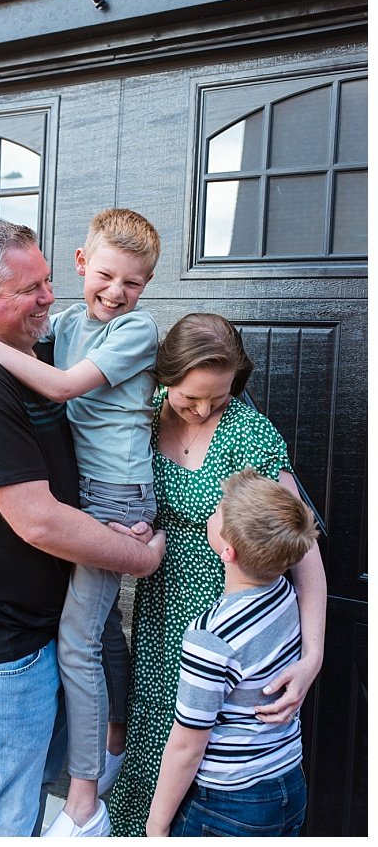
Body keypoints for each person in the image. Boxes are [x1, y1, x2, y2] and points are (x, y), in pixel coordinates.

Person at [0, 209, 161, 836]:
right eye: (31, 289)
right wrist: (137, 554)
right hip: (3, 642)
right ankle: (88, 809)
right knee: (6, 810)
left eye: (48, 281)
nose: (48, 298)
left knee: (28, 799)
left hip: (44, 621)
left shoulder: (41, 347)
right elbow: (38, 523)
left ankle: (95, 786)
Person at [108, 313, 326, 835]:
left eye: (219, 399)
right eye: (191, 397)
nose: (204, 409)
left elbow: (305, 552)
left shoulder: (250, 435)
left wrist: (312, 656)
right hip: (164, 627)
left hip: (231, 634)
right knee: (155, 752)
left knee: (209, 770)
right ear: (165, 376)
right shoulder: (137, 415)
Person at [145, 469, 315, 837]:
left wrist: (157, 822)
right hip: (288, 781)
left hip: (228, 802)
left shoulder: (210, 636)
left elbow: (188, 743)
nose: (213, 511)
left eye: (219, 510)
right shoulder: (286, 597)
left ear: (228, 550)